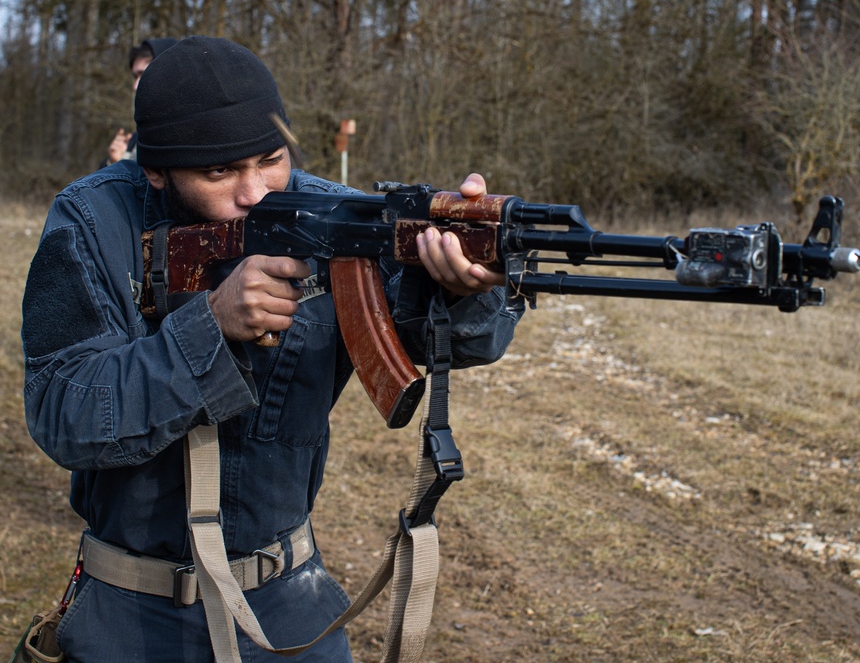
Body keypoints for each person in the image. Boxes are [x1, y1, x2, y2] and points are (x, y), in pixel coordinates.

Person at [22, 36, 521, 661]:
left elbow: (469, 340)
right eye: (219, 172)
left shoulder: (329, 213)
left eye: (270, 159)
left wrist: (461, 286)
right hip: (133, 613)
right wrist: (209, 325)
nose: (256, 191)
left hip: (289, 603)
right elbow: (61, 414)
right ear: (156, 169)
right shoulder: (92, 222)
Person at [101, 37, 178, 167]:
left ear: (168, 73)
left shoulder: (188, 136)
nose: (135, 86)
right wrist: (115, 164)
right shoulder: (136, 138)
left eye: (143, 74)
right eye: (135, 76)